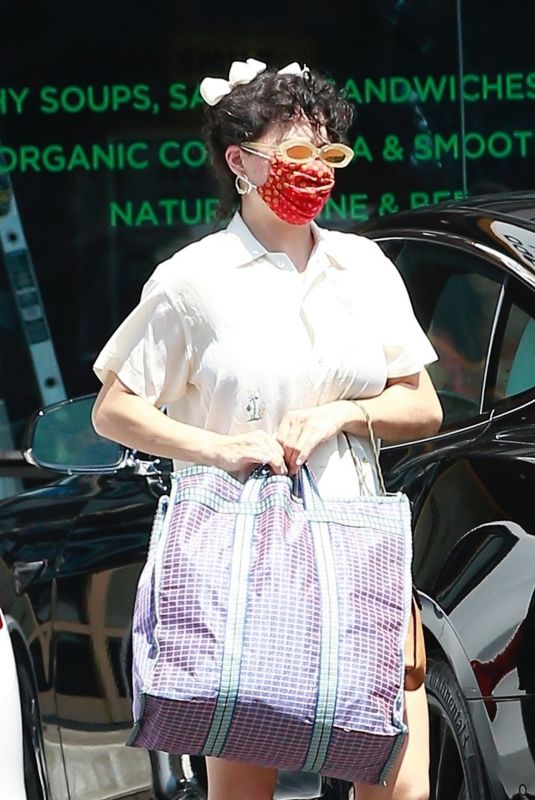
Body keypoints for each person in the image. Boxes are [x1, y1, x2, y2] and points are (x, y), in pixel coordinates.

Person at [92, 57, 443, 800]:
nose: (313, 171)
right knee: (243, 783)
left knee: (398, 781)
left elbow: (423, 405)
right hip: (239, 556)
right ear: (238, 161)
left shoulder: (364, 266)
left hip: (357, 546)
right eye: (293, 154)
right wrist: (216, 447)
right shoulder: (192, 281)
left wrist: (345, 412)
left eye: (326, 154)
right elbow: (114, 409)